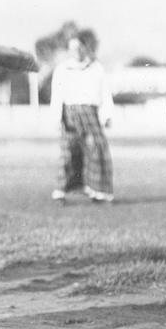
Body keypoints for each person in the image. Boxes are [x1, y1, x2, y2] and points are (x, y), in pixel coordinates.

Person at [49, 30, 114, 203]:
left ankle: (98, 192)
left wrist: (106, 114)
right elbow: (57, 95)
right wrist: (56, 117)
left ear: (85, 48)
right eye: (73, 48)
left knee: (97, 149)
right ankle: (61, 192)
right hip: (69, 113)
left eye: (79, 47)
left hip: (90, 113)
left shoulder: (96, 68)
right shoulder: (62, 69)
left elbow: (104, 92)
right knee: (69, 153)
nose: (76, 51)